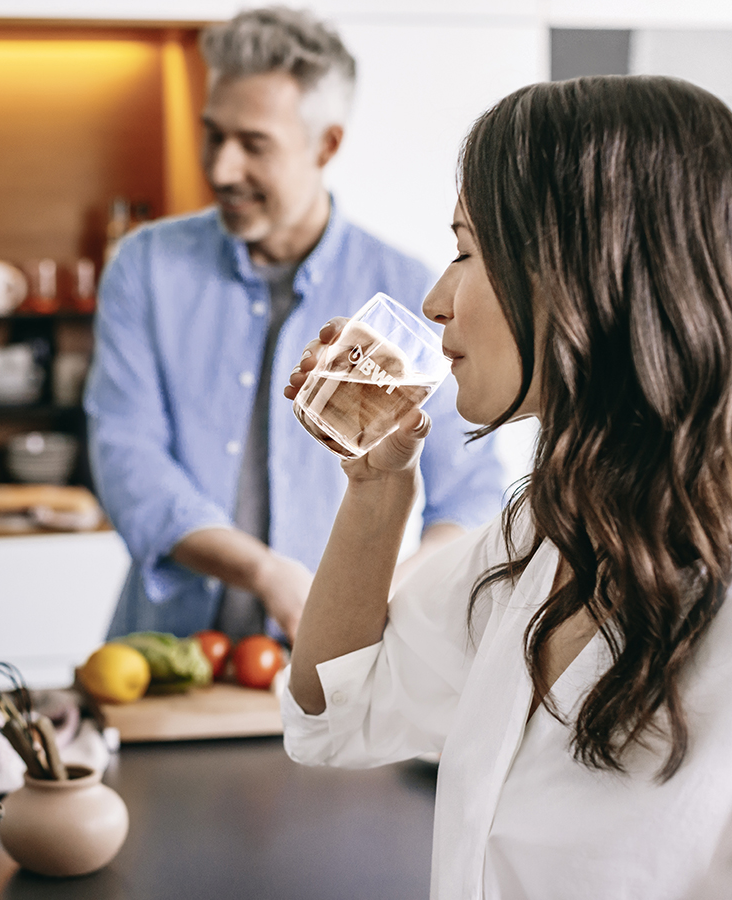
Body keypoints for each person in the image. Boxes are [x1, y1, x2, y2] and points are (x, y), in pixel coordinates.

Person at [282, 75, 732, 898]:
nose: (435, 300)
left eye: (468, 249)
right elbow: (330, 716)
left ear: (589, 264)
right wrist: (378, 490)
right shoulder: (543, 538)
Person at [84, 6, 504, 645]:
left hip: (338, 667)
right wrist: (266, 573)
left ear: (326, 145)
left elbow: (470, 498)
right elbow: (127, 459)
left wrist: (364, 597)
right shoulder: (145, 265)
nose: (222, 169)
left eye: (253, 145)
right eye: (213, 134)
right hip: (166, 657)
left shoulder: (407, 287)